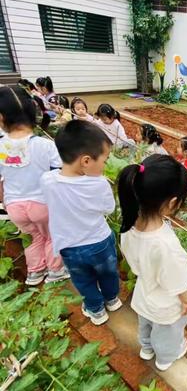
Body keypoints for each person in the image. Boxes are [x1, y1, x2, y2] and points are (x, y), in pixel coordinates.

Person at [40, 120, 122, 325]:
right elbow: (108, 209)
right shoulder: (99, 184)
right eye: (104, 160)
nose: (105, 166)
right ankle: (112, 300)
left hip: (70, 248)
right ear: (86, 161)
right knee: (109, 273)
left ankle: (96, 311)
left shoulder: (47, 180)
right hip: (100, 242)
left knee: (83, 281)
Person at [118, 155, 187, 371]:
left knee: (146, 324)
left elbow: (134, 264)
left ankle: (146, 348)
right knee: (167, 332)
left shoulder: (128, 225)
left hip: (144, 294)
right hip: (166, 304)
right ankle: (165, 357)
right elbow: (177, 281)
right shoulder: (165, 244)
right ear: (172, 203)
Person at [0, 86, 68, 285]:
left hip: (14, 206)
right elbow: (60, 173)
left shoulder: (1, 147)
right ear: (33, 111)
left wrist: (4, 202)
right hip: (42, 204)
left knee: (31, 237)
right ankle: (55, 271)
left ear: (2, 118)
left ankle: (35, 272)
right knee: (51, 236)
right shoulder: (44, 145)